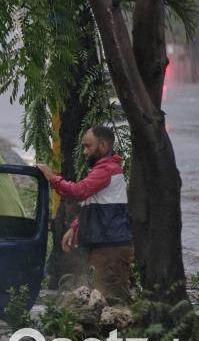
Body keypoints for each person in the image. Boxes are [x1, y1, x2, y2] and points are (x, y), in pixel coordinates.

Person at [36, 125, 133, 304]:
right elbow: (96, 204)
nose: (84, 152)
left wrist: (52, 177)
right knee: (105, 298)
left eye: (88, 146)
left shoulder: (107, 170)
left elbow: (79, 191)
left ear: (103, 146)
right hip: (106, 246)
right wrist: (75, 227)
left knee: (114, 300)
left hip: (110, 248)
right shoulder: (104, 169)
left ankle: (124, 330)